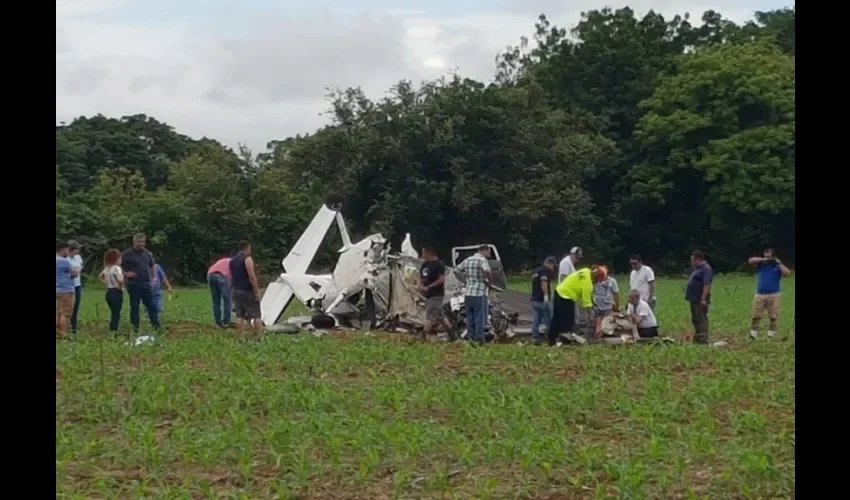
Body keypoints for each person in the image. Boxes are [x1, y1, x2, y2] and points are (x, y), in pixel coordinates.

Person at [549, 265, 606, 346]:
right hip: (565, 296)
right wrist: (590, 316)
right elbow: (586, 304)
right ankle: (555, 341)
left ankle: (560, 340)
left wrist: (593, 304)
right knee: (564, 320)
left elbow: (589, 298)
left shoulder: (586, 270)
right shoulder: (587, 285)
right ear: (597, 278)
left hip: (561, 291)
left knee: (565, 319)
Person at [747, 248, 791, 340]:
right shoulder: (761, 264)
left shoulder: (777, 266)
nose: (767, 258)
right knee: (756, 316)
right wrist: (764, 259)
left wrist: (778, 263)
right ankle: (753, 335)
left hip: (774, 294)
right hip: (760, 294)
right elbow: (750, 261)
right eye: (765, 256)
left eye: (769, 256)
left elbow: (787, 274)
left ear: (774, 256)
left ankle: (771, 335)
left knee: (773, 316)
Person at [121, 233, 161, 332]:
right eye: (140, 242)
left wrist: (154, 278)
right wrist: (125, 273)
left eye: (143, 242)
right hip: (133, 284)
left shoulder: (147, 253)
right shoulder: (127, 254)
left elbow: (152, 266)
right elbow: (118, 266)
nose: (142, 244)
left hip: (146, 283)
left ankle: (156, 326)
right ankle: (135, 328)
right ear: (134, 242)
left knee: (151, 305)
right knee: (134, 306)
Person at [455, 245, 492, 345]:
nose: (489, 254)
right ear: (483, 251)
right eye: (488, 252)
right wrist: (489, 281)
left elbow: (456, 270)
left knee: (470, 317)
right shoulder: (482, 260)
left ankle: (470, 337)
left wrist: (465, 279)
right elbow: (487, 271)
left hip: (468, 293)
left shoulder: (468, 260)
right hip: (479, 293)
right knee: (479, 317)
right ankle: (479, 337)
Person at [229, 241, 263, 338]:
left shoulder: (232, 260)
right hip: (246, 290)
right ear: (247, 248)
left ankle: (240, 337)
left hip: (236, 290)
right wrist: (256, 291)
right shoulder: (247, 259)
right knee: (256, 315)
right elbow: (251, 276)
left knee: (240, 315)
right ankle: (260, 337)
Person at [418, 247, 452, 340]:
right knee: (440, 316)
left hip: (437, 294)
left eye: (424, 253)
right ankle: (452, 333)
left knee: (430, 314)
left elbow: (441, 280)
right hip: (428, 295)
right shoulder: (425, 264)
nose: (423, 255)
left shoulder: (439, 264)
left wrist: (429, 287)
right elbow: (422, 277)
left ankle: (423, 336)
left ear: (430, 253)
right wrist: (420, 285)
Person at [685, 250, 713, 344]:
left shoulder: (706, 269)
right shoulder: (697, 269)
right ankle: (697, 337)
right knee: (695, 318)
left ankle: (703, 339)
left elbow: (706, 285)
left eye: (693, 260)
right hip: (693, 298)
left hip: (699, 299)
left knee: (701, 318)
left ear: (698, 259)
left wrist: (703, 298)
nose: (692, 263)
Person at [530, 256, 557, 345]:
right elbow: (543, 282)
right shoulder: (545, 270)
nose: (553, 268)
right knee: (548, 318)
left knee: (536, 319)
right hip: (541, 299)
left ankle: (535, 337)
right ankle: (550, 338)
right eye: (553, 266)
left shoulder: (536, 271)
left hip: (534, 298)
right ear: (550, 264)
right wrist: (546, 296)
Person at [56, 242, 80, 339]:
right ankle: (64, 334)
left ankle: (57, 333)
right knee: (65, 313)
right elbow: (74, 273)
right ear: (62, 249)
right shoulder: (63, 261)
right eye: (66, 249)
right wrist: (77, 270)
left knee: (57, 312)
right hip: (65, 290)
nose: (67, 252)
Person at [98, 249, 124, 332]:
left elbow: (99, 277)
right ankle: (114, 331)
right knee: (116, 314)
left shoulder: (107, 268)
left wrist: (106, 283)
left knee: (113, 312)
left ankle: (113, 329)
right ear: (116, 259)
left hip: (109, 292)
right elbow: (120, 279)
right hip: (116, 292)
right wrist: (120, 287)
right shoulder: (117, 268)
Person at [592, 265, 620, 336]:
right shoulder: (595, 280)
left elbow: (616, 294)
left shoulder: (612, 281)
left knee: (606, 325)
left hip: (607, 306)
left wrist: (617, 306)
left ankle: (609, 329)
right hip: (597, 305)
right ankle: (597, 331)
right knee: (597, 324)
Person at [207, 251, 232, 328]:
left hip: (210, 274)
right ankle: (226, 322)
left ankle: (217, 322)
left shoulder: (224, 260)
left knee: (216, 300)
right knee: (227, 299)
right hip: (221, 276)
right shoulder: (235, 264)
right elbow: (232, 280)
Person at [67, 240, 84, 334]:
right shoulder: (65, 259)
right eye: (77, 249)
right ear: (71, 249)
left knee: (76, 306)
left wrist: (79, 269)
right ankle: (65, 326)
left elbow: (81, 265)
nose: (78, 251)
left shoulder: (78, 257)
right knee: (68, 307)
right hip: (68, 286)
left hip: (77, 285)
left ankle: (74, 327)